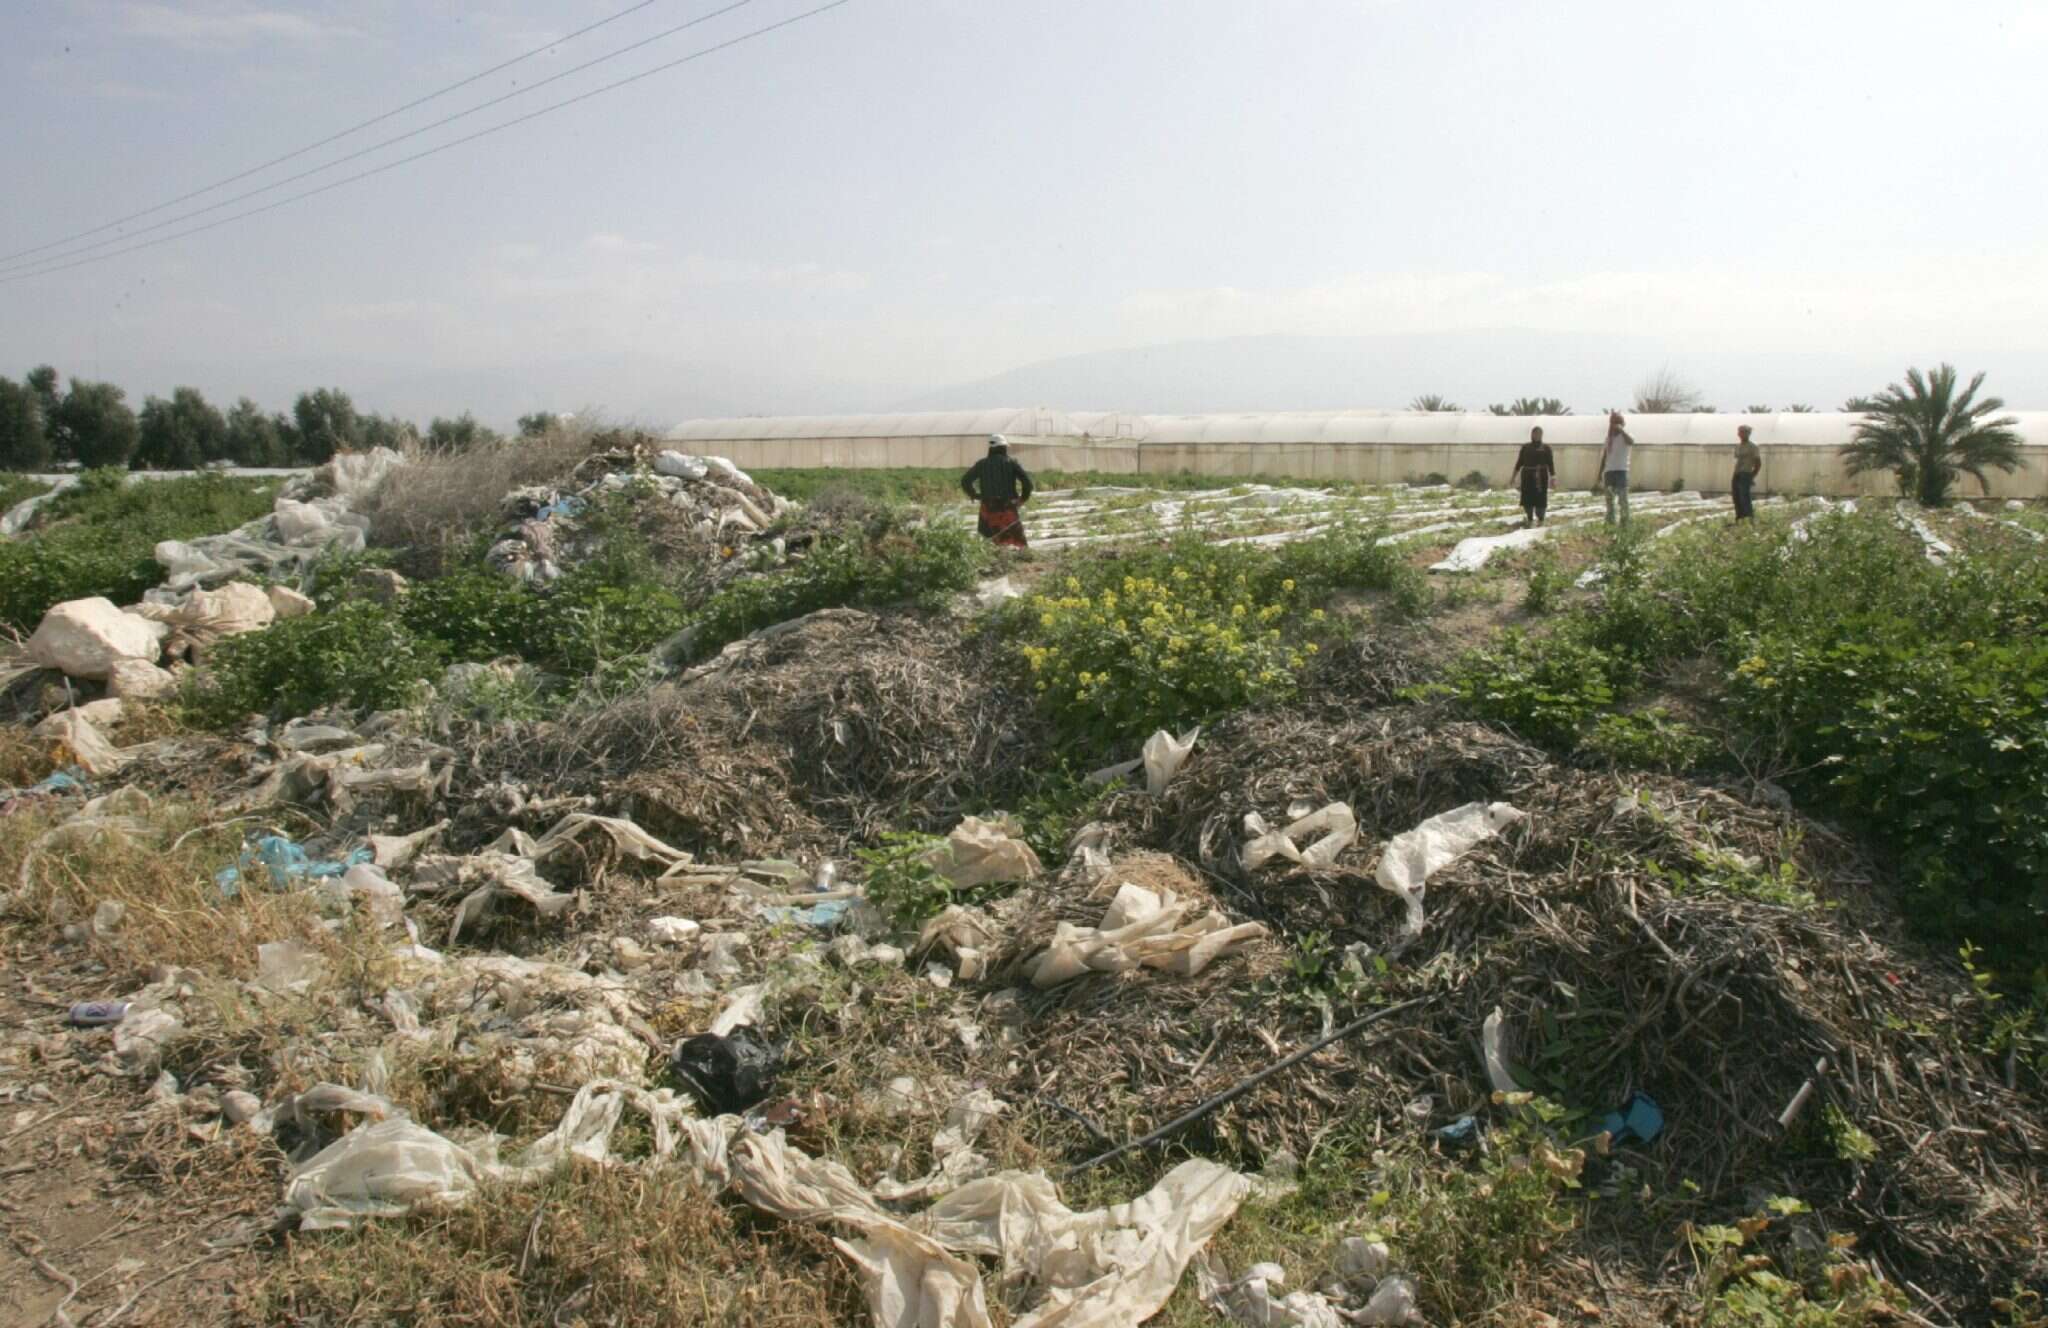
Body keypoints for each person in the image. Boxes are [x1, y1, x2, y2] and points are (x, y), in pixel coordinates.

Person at [961, 434, 1034, 547]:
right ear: (1003, 448)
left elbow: (965, 481)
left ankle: (993, 559)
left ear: (990, 448)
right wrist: (1022, 499)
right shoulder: (1011, 463)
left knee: (988, 541)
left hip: (988, 506)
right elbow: (1028, 484)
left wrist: (974, 494)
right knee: (1016, 542)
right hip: (1007, 506)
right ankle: (1019, 560)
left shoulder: (982, 464)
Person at [1510, 426, 1555, 526]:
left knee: (1541, 498)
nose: (1537, 436)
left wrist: (1553, 477)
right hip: (1527, 477)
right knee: (1527, 499)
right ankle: (1529, 518)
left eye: (1539, 434)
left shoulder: (1546, 448)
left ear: (1541, 435)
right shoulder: (1525, 447)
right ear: (1532, 434)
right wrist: (1513, 476)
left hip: (1541, 477)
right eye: (1535, 433)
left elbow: (1550, 463)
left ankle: (1541, 519)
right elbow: (1519, 463)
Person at [1599, 412, 1635, 525]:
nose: (1615, 425)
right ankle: (1610, 522)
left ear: (1623, 423)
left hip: (1621, 471)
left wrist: (1621, 430)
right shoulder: (1608, 439)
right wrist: (1600, 473)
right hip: (1609, 472)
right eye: (1614, 422)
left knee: (1622, 499)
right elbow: (1605, 457)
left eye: (1618, 422)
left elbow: (1631, 442)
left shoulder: (1626, 436)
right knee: (1609, 500)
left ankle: (1625, 522)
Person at [1732, 424, 1762, 521]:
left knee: (1744, 497)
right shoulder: (1738, 446)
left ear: (1748, 434)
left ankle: (1748, 518)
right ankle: (1739, 517)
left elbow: (1758, 462)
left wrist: (1752, 475)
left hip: (1746, 473)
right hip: (1737, 473)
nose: (1740, 434)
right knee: (1736, 496)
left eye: (1743, 432)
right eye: (1739, 432)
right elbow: (1737, 460)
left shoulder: (1753, 446)